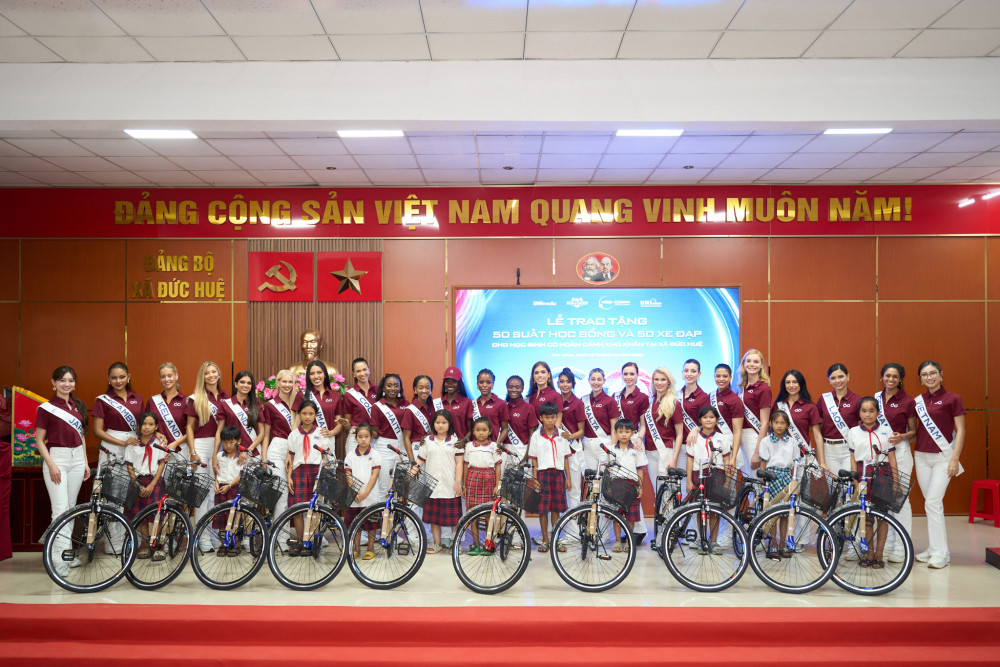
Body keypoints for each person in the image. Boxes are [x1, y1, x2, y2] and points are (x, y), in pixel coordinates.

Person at [35, 366, 90, 574]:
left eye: (70, 380)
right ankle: (57, 560)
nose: (67, 384)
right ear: (54, 382)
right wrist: (51, 464)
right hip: (56, 459)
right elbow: (39, 440)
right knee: (59, 510)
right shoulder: (46, 408)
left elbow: (81, 436)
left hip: (77, 459)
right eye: (62, 380)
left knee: (71, 509)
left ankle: (67, 554)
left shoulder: (78, 406)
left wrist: (85, 462)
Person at [913, 360, 965, 570]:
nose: (930, 377)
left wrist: (955, 459)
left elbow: (961, 430)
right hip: (921, 457)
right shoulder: (918, 401)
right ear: (921, 379)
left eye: (933, 373)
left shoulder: (952, 398)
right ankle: (935, 548)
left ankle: (940, 553)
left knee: (933, 502)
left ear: (941, 374)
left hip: (943, 457)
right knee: (931, 504)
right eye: (925, 374)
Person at [849, 396, 898, 569]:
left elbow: (892, 456)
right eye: (864, 411)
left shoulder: (886, 430)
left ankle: (879, 554)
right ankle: (869, 553)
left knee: (882, 516)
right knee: (866, 516)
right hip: (863, 473)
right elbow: (852, 458)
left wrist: (895, 481)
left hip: (883, 474)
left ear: (877, 412)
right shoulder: (853, 431)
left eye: (871, 411)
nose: (868, 414)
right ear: (859, 413)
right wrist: (855, 480)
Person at [185, 361, 228, 552]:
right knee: (202, 494)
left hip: (221, 447)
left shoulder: (226, 396)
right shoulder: (196, 398)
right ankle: (202, 538)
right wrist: (192, 452)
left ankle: (213, 536)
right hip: (201, 446)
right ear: (202, 376)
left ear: (219, 374)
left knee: (216, 493)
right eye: (207, 373)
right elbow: (189, 427)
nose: (211, 375)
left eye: (214, 372)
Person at [877, 362, 917, 561]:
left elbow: (914, 431)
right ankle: (889, 543)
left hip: (900, 452)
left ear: (900, 379)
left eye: (894, 376)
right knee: (885, 499)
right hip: (881, 453)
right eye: (887, 376)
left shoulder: (908, 401)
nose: (890, 379)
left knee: (900, 498)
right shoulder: (876, 398)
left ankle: (902, 547)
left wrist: (902, 436)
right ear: (882, 377)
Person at [285, 401, 334, 554]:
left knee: (315, 510)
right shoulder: (293, 435)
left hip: (316, 472)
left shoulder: (321, 433)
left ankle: (311, 542)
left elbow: (325, 457)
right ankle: (301, 542)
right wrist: (289, 477)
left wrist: (325, 475)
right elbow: (291, 458)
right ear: (299, 414)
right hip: (298, 472)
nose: (307, 417)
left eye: (311, 414)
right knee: (297, 510)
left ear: (315, 415)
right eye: (304, 413)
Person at [685, 405, 731, 555]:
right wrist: (689, 481)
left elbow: (727, 460)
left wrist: (727, 481)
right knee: (700, 509)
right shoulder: (693, 438)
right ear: (700, 420)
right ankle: (702, 539)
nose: (708, 420)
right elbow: (690, 460)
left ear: (717, 419)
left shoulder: (723, 438)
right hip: (698, 475)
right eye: (705, 417)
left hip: (718, 476)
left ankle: (714, 541)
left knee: (715, 509)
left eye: (712, 417)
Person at [528, 402, 571, 553]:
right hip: (542, 474)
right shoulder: (536, 436)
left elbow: (565, 458)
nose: (550, 420)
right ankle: (545, 540)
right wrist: (535, 479)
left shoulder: (562, 435)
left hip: (558, 474)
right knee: (543, 509)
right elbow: (534, 459)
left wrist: (568, 478)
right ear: (541, 418)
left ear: (557, 417)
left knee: (556, 509)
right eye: (547, 417)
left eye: (553, 417)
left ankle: (556, 540)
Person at [418, 410, 463, 554]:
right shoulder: (427, 441)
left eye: (444, 422)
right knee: (434, 519)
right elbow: (420, 460)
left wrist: (458, 482)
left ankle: (456, 544)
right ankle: (437, 543)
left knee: (454, 519)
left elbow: (459, 463)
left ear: (449, 424)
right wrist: (411, 473)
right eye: (438, 422)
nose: (441, 425)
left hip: (450, 486)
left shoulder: (456, 441)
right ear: (433, 424)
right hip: (432, 487)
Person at [260, 369, 302, 519]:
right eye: (284, 381)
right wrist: (264, 458)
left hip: (297, 450)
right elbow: (266, 434)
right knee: (282, 494)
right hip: (278, 449)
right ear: (277, 383)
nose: (287, 385)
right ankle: (281, 534)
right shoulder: (270, 405)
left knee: (297, 493)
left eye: (290, 382)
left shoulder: (298, 402)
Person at [126, 412, 167, 561]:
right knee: (141, 515)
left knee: (157, 515)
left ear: (156, 427)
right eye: (144, 424)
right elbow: (129, 465)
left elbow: (161, 464)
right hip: (138, 481)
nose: (146, 427)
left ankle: (157, 545)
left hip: (154, 481)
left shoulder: (160, 443)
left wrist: (152, 484)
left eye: (150, 424)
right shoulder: (132, 444)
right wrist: (136, 483)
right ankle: (144, 544)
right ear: (139, 426)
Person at [91, 362, 144, 475]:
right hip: (111, 443)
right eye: (114, 378)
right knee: (109, 481)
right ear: (108, 379)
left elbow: (143, 425)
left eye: (122, 377)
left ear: (128, 377)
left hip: (133, 442)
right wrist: (122, 442)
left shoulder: (138, 398)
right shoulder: (102, 400)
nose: (118, 381)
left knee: (132, 480)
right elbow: (97, 431)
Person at [462, 417, 502, 554]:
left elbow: (497, 467)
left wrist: (497, 485)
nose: (481, 433)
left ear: (490, 431)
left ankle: (489, 544)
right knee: (473, 514)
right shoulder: (469, 446)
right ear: (473, 431)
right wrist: (464, 485)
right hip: (472, 479)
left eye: (484, 430)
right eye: (478, 430)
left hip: (489, 479)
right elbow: (465, 466)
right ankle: (476, 544)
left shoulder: (494, 446)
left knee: (488, 514)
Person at [607, 418, 646, 553]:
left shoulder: (637, 450)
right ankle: (618, 540)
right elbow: (608, 470)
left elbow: (640, 469)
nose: (624, 434)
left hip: (632, 486)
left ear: (633, 433)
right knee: (616, 515)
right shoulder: (611, 450)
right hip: (615, 485)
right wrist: (608, 487)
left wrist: (640, 487)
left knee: (631, 516)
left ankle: (629, 540)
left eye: (627, 432)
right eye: (620, 431)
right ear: (615, 433)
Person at [816, 363, 862, 478]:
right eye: (833, 378)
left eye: (841, 376)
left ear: (848, 377)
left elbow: (861, 427)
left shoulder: (857, 399)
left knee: (846, 485)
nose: (837, 381)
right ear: (829, 380)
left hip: (849, 448)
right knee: (833, 485)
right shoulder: (823, 399)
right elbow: (818, 427)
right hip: (828, 449)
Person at [773, 370, 825, 469]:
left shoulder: (810, 407)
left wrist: (822, 462)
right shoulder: (777, 406)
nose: (791, 385)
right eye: (788, 382)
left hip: (802, 457)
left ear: (801, 383)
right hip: (780, 456)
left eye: (795, 382)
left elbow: (817, 436)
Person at [645, 367, 683, 500]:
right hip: (649, 451)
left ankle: (670, 514)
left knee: (667, 492)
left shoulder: (674, 403)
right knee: (658, 491)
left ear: (668, 382)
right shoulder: (650, 402)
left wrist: (674, 459)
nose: (659, 383)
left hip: (665, 451)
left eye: (663, 379)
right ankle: (661, 514)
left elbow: (679, 434)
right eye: (656, 379)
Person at [344, 423, 381, 561]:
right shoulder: (350, 456)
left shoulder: (376, 455)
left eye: (366, 436)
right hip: (354, 497)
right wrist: (354, 491)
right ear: (356, 438)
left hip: (370, 496)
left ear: (371, 437)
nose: (363, 439)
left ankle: (370, 549)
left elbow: (374, 475)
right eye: (360, 436)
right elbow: (348, 475)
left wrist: (365, 493)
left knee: (372, 524)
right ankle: (356, 548)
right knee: (355, 524)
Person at [371, 373, 408, 502]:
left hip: (403, 446)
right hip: (384, 447)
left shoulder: (406, 404)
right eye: (389, 385)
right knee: (384, 485)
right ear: (383, 388)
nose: (393, 388)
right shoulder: (377, 406)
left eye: (396, 385)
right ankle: (383, 513)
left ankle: (397, 513)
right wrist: (364, 432)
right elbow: (375, 432)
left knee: (402, 487)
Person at [736, 349, 772, 471]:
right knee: (747, 476)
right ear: (744, 363)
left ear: (761, 365)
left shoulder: (763, 388)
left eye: (756, 362)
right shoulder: (741, 387)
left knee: (756, 476)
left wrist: (758, 452)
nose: (751, 364)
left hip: (754, 436)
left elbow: (765, 423)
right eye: (749, 361)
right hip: (740, 436)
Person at [145, 362, 190, 458]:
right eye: (163, 377)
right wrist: (155, 433)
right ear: (160, 379)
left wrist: (176, 443)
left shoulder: (186, 401)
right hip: (157, 449)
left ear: (176, 376)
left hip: (180, 451)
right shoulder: (152, 401)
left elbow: (192, 429)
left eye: (170, 376)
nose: (166, 379)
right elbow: (144, 426)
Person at [213, 425, 245, 557]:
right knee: (221, 518)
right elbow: (216, 472)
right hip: (221, 489)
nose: (228, 445)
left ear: (239, 441)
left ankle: (236, 543)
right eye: (225, 442)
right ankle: (223, 544)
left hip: (234, 488)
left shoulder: (242, 457)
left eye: (231, 442)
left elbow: (241, 475)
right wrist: (216, 483)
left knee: (235, 517)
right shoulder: (219, 456)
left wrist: (230, 486)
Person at [218, 371, 264, 462]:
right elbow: (219, 431)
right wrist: (214, 454)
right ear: (236, 384)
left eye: (249, 383)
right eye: (242, 382)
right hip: (231, 453)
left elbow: (262, 433)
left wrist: (248, 451)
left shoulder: (257, 406)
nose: (246, 385)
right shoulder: (225, 404)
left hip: (253, 453)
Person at [557, 368, 586, 508]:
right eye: (562, 381)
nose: (565, 385)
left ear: (573, 384)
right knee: (558, 491)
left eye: (568, 382)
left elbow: (582, 431)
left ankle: (574, 521)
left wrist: (570, 436)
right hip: (557, 452)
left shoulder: (577, 403)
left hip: (572, 451)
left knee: (574, 490)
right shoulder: (555, 401)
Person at [580, 368, 619, 473]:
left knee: (605, 478)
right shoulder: (583, 400)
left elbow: (614, 428)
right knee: (591, 478)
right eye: (593, 379)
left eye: (599, 379)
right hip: (588, 445)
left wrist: (613, 448)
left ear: (604, 381)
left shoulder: (610, 401)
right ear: (589, 380)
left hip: (604, 443)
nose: (596, 382)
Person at [758, 410, 798, 506]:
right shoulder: (765, 441)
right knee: (770, 507)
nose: (779, 426)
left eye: (782, 423)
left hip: (787, 477)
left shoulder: (792, 442)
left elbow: (795, 465)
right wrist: (763, 481)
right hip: (770, 478)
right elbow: (763, 462)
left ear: (787, 425)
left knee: (786, 507)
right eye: (776, 422)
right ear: (771, 423)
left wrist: (794, 481)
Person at [710, 363, 745, 470]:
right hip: (712, 448)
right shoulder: (710, 396)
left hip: (728, 449)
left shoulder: (735, 400)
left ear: (730, 378)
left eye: (725, 376)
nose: (721, 379)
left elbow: (737, 431)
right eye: (718, 376)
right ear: (714, 377)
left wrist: (733, 458)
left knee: (728, 480)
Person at [303, 360, 346, 441]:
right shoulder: (302, 395)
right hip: (307, 440)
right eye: (312, 374)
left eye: (319, 372)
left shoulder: (335, 396)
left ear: (325, 374)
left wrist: (331, 433)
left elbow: (339, 423)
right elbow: (296, 422)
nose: (316, 376)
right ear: (308, 376)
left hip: (328, 439)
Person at [343, 357, 379, 452]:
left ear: (369, 370)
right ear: (354, 374)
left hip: (373, 437)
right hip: (356, 437)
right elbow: (348, 425)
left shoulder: (378, 391)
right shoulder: (349, 395)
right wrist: (345, 423)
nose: (362, 374)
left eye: (364, 369)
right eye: (358, 371)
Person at [504, 375, 538, 463]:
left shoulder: (528, 408)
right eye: (510, 387)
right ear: (507, 388)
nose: (513, 390)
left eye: (517, 387)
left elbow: (532, 434)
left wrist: (526, 457)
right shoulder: (503, 407)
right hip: (505, 451)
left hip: (523, 450)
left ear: (522, 389)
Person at [472, 369, 509, 446]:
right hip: (476, 447)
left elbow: (505, 429)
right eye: (481, 382)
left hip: (494, 446)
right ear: (477, 384)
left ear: (493, 384)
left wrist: (497, 444)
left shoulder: (501, 404)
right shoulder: (472, 404)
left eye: (488, 382)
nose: (484, 385)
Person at [402, 375, 434, 461]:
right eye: (421, 388)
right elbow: (406, 438)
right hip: (417, 450)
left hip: (432, 449)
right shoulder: (410, 410)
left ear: (431, 389)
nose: (424, 391)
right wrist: (411, 459)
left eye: (427, 388)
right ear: (415, 389)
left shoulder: (434, 407)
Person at [679, 359, 710, 446]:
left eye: (693, 371)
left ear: (699, 374)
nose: (689, 374)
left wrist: (696, 428)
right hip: (677, 443)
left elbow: (708, 422)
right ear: (682, 373)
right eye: (686, 371)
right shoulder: (676, 395)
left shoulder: (703, 397)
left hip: (695, 443)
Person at [439, 366, 473, 442]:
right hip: (441, 445)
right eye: (447, 381)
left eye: (454, 381)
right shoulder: (437, 402)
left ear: (459, 383)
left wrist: (464, 440)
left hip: (460, 445)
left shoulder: (467, 402)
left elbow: (470, 430)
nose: (450, 384)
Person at [526, 361, 563, 429]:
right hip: (534, 434)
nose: (540, 375)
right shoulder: (531, 396)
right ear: (533, 376)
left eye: (543, 372)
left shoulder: (556, 396)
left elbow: (558, 424)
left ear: (548, 375)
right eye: (536, 373)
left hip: (550, 435)